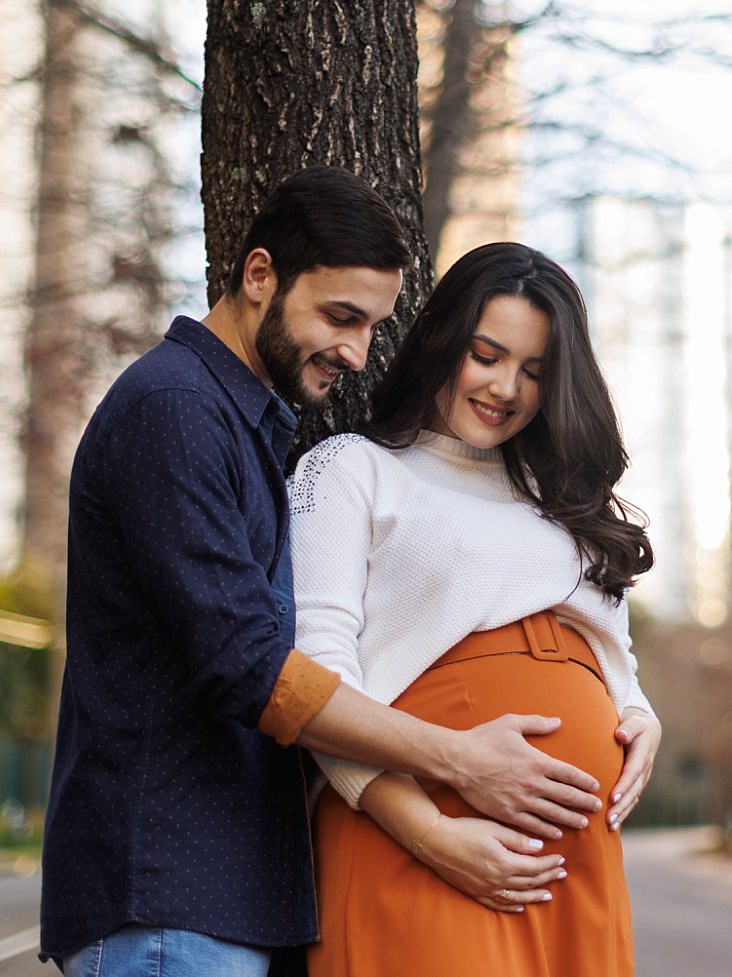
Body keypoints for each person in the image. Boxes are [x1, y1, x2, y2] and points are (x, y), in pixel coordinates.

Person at [39, 178, 605, 977]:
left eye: (373, 327)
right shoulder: (174, 409)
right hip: (168, 891)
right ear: (260, 275)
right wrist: (457, 761)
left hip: (223, 896)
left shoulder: (240, 423)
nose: (356, 353)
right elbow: (251, 669)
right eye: (341, 317)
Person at [290, 242, 662, 977]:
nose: (506, 388)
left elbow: (614, 658)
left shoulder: (565, 502)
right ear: (441, 338)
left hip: (573, 868)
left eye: (534, 370)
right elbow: (312, 679)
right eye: (487, 355)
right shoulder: (353, 469)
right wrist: (427, 830)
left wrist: (640, 716)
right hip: (422, 839)